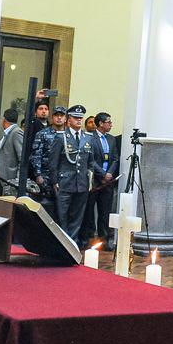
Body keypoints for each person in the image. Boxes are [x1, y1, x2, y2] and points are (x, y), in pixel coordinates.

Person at [48, 105, 93, 244]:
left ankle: (72, 244)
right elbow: (53, 162)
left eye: (81, 118)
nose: (79, 121)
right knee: (62, 216)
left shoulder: (87, 138)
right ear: (69, 120)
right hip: (64, 183)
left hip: (82, 184)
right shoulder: (61, 137)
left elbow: (90, 162)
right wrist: (55, 181)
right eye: (76, 118)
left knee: (77, 216)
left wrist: (90, 180)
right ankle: (62, 245)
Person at [81, 112, 120, 248]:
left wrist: (109, 173)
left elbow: (115, 158)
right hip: (94, 180)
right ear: (100, 124)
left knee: (105, 211)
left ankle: (104, 239)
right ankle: (87, 237)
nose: (111, 124)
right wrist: (102, 174)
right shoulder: (90, 138)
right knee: (89, 210)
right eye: (108, 122)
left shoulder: (112, 139)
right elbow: (90, 160)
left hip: (108, 182)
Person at [30, 105, 67, 200]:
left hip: (65, 176)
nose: (59, 118)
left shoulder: (69, 135)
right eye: (56, 115)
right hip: (46, 175)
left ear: (65, 118)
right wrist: (38, 175)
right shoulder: (42, 134)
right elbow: (36, 155)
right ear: (52, 117)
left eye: (61, 115)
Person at [0, 108, 25, 196]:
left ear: (4, 120)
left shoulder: (16, 132)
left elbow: (22, 157)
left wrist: (17, 180)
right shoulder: (7, 133)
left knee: (5, 208)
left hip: (9, 180)